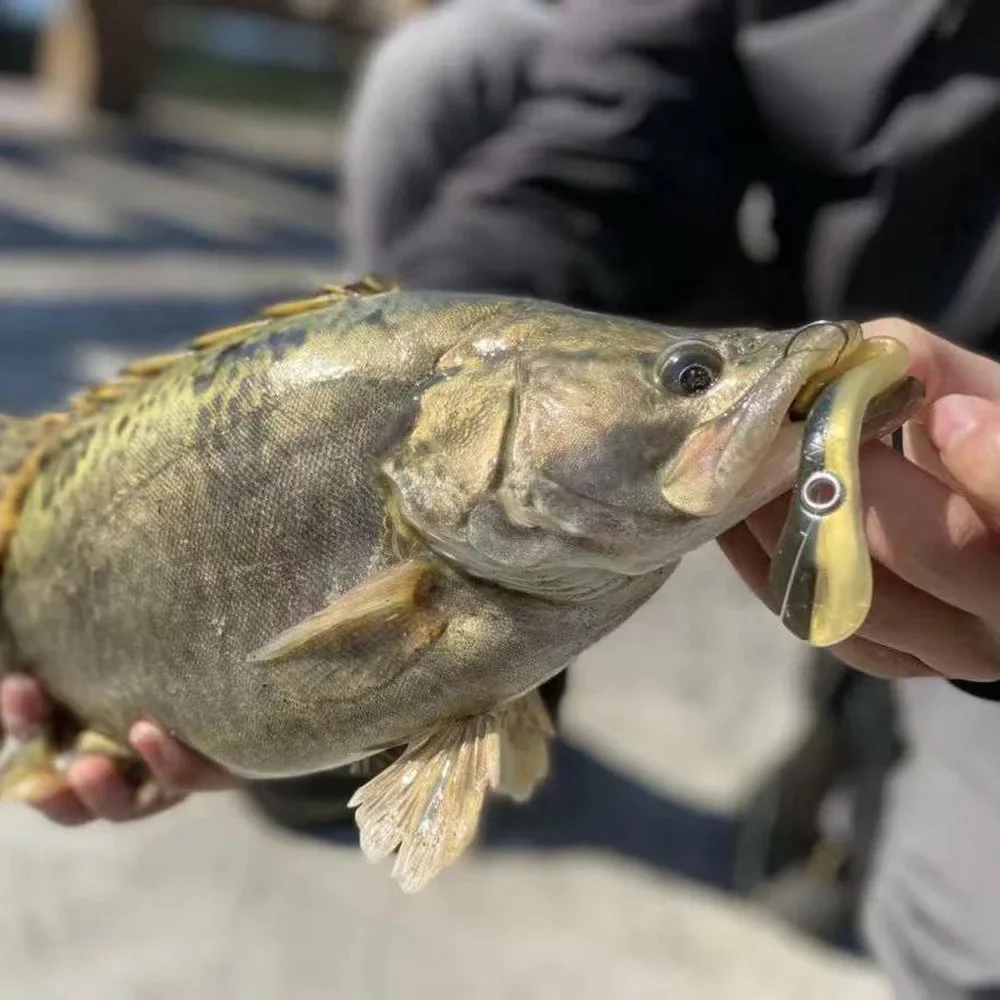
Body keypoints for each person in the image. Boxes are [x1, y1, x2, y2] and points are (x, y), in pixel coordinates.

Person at [8, 0, 1000, 995]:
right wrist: (417, 354)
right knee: (451, 66)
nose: (705, 387)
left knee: (967, 945)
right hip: (796, 274)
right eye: (688, 377)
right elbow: (598, 148)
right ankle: (408, 726)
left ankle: (868, 710)